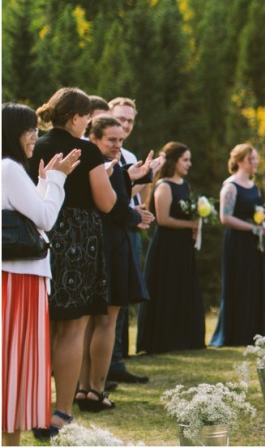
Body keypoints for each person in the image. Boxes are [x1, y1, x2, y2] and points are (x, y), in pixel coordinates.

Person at [30, 88, 116, 440]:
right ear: (77, 117)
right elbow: (107, 203)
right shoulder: (87, 150)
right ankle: (61, 411)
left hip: (39, 238)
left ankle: (35, 406)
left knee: (44, 326)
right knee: (72, 328)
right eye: (87, 119)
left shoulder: (34, 144)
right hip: (77, 240)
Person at [2, 103, 80, 446]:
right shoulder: (9, 169)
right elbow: (46, 219)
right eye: (29, 129)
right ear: (12, 132)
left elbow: (33, 213)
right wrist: (59, 180)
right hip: (20, 278)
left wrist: (46, 181)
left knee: (12, 362)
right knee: (16, 363)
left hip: (18, 276)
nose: (35, 135)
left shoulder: (11, 169)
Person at [74, 117, 153, 413]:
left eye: (120, 140)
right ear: (93, 139)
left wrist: (130, 177)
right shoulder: (101, 166)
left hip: (90, 247)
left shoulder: (89, 165)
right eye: (111, 140)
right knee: (105, 322)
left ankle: (82, 389)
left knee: (87, 324)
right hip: (110, 248)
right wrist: (137, 217)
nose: (118, 145)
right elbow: (114, 208)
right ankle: (96, 389)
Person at [136, 143, 205, 353]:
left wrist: (196, 223)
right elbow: (163, 219)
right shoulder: (164, 185)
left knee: (183, 287)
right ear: (174, 161)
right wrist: (191, 225)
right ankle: (163, 340)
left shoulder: (184, 184)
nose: (189, 164)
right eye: (185, 160)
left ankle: (184, 337)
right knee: (167, 287)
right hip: (167, 245)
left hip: (184, 245)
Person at [106, 97, 154, 385]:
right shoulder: (104, 152)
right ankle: (108, 363)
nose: (125, 125)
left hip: (132, 228)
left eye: (130, 120)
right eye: (120, 119)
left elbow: (138, 198)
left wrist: (149, 177)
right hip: (113, 229)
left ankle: (118, 359)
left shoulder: (131, 153)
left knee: (124, 298)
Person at [210, 144, 265, 347]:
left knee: (255, 284)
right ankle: (235, 333)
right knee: (239, 283)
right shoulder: (230, 186)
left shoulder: (255, 186)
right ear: (239, 161)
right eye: (250, 159)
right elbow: (225, 217)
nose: (255, 162)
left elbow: (260, 211)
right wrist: (252, 228)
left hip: (255, 244)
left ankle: (257, 332)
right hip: (237, 243)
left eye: (255, 158)